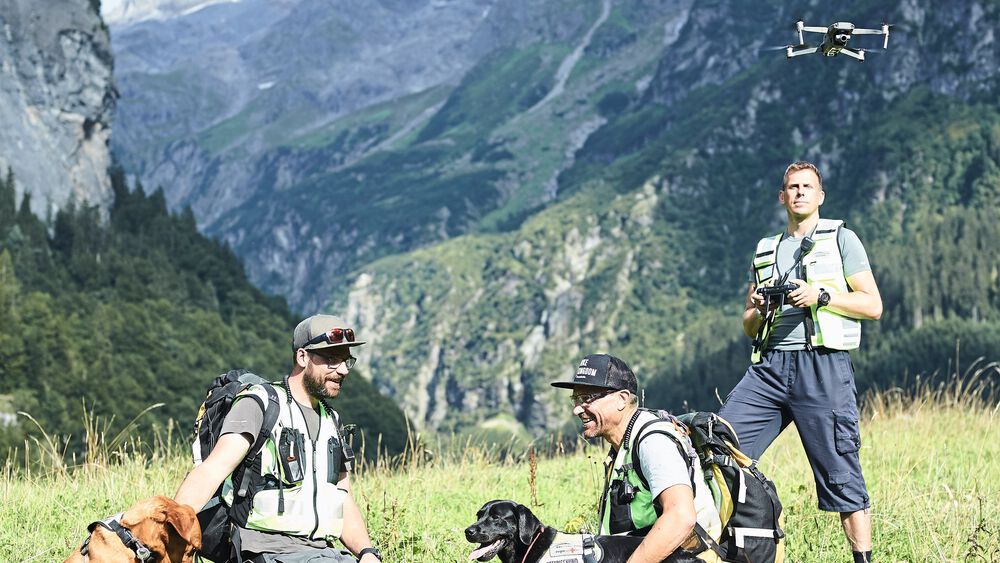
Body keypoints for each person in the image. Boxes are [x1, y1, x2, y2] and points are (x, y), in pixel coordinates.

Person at [720, 161, 883, 563]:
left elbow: (873, 305)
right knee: (719, 448)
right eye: (792, 187)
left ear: (820, 196)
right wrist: (758, 308)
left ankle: (862, 559)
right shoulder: (765, 249)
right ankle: (727, 547)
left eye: (807, 186)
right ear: (782, 196)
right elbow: (747, 324)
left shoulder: (843, 239)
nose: (799, 193)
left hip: (822, 366)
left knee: (842, 473)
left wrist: (821, 297)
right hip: (770, 367)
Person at [175, 314, 382, 563]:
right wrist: (172, 530)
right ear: (302, 357)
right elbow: (212, 471)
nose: (343, 369)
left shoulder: (332, 422)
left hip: (322, 552)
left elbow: (343, 498)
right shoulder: (261, 404)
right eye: (331, 359)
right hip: (264, 549)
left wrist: (367, 552)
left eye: (346, 360)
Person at [551, 354, 722, 563]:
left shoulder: (653, 442)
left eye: (587, 398)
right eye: (576, 399)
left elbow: (681, 516)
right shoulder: (623, 444)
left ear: (622, 399)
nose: (577, 409)